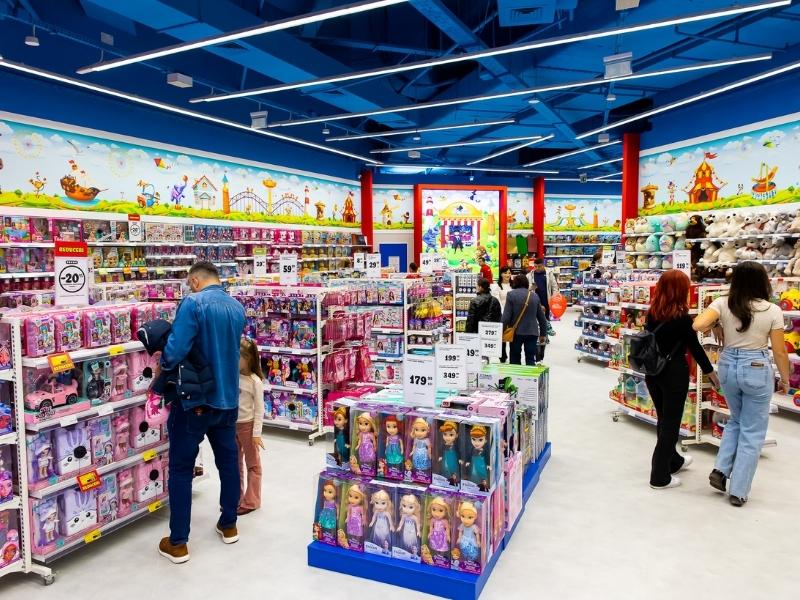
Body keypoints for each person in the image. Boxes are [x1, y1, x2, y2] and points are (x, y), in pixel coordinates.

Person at [158, 262, 246, 564]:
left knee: (181, 469)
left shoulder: (193, 303)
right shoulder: (236, 307)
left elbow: (175, 350)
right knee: (229, 463)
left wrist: (162, 365)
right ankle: (229, 524)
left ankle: (178, 542)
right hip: (228, 398)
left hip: (194, 400)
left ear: (195, 280)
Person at [693, 262, 790, 506]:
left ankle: (721, 469)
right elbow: (780, 351)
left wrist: (717, 324)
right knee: (752, 431)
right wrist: (785, 379)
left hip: (728, 365)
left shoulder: (723, 303)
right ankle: (738, 490)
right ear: (762, 282)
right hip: (756, 367)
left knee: (736, 420)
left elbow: (698, 325)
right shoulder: (772, 310)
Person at [644, 270, 718, 490]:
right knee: (671, 424)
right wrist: (712, 374)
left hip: (653, 373)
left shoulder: (652, 314)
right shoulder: (682, 319)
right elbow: (695, 349)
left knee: (664, 418)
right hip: (674, 374)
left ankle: (673, 461)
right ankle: (659, 477)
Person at [236, 338, 265, 516]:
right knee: (234, 463)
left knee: (253, 464)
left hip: (247, 426)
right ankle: (236, 497)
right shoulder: (233, 375)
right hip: (231, 424)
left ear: (249, 359)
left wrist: (256, 434)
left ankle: (252, 500)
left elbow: (260, 410)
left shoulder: (255, 382)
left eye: (238, 356)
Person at [502, 274, 548, 365]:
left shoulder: (511, 295)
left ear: (515, 283)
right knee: (530, 358)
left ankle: (516, 374)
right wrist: (543, 334)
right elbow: (542, 318)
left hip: (516, 332)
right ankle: (530, 374)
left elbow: (506, 316)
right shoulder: (534, 296)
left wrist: (500, 331)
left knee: (515, 358)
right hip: (532, 332)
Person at [491, 266, 513, 362]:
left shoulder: (514, 285)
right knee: (502, 337)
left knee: (513, 336)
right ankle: (503, 356)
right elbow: (497, 301)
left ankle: (513, 356)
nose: (507, 275)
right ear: (501, 274)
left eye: (509, 273)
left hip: (514, 315)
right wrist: (504, 313)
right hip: (502, 314)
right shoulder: (497, 286)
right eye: (505, 273)